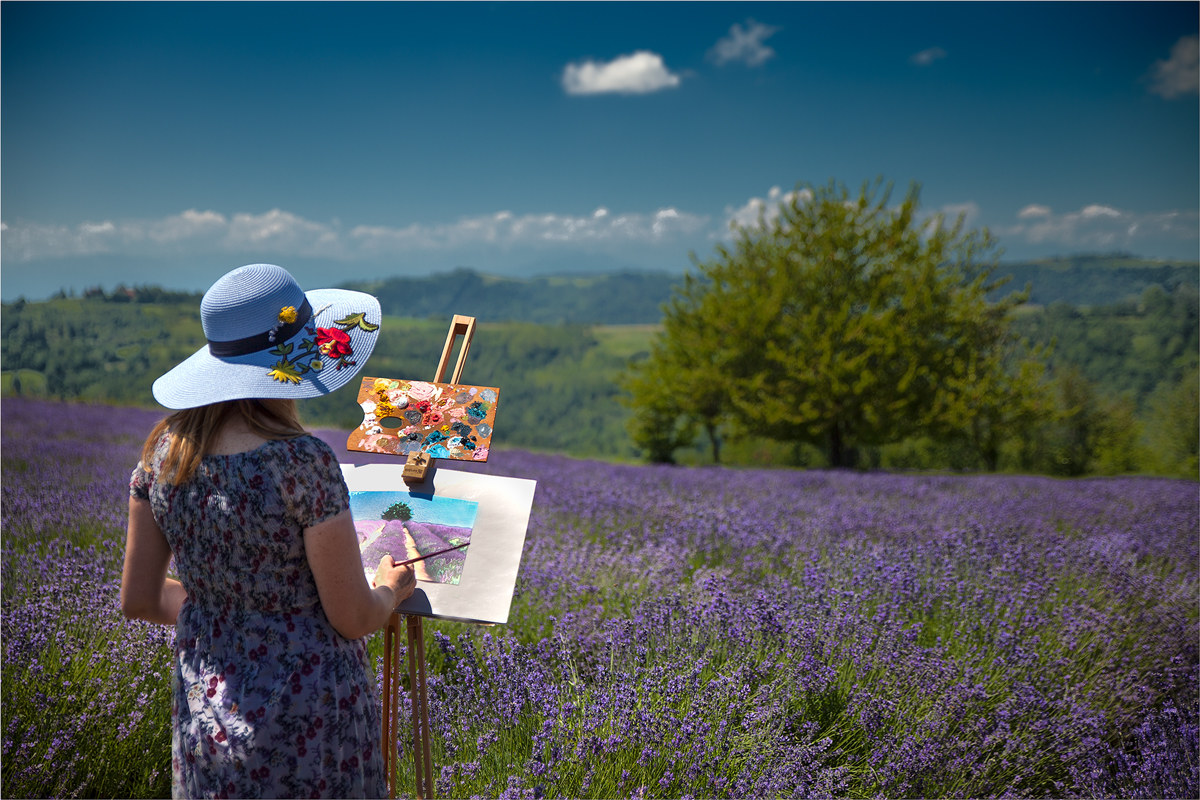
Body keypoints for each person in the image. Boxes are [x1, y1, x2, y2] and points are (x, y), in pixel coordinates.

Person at [120, 263, 415, 799]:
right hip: (309, 718)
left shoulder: (162, 458)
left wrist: (228, 610)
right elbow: (351, 617)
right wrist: (391, 590)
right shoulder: (300, 462)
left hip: (208, 715)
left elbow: (138, 599)